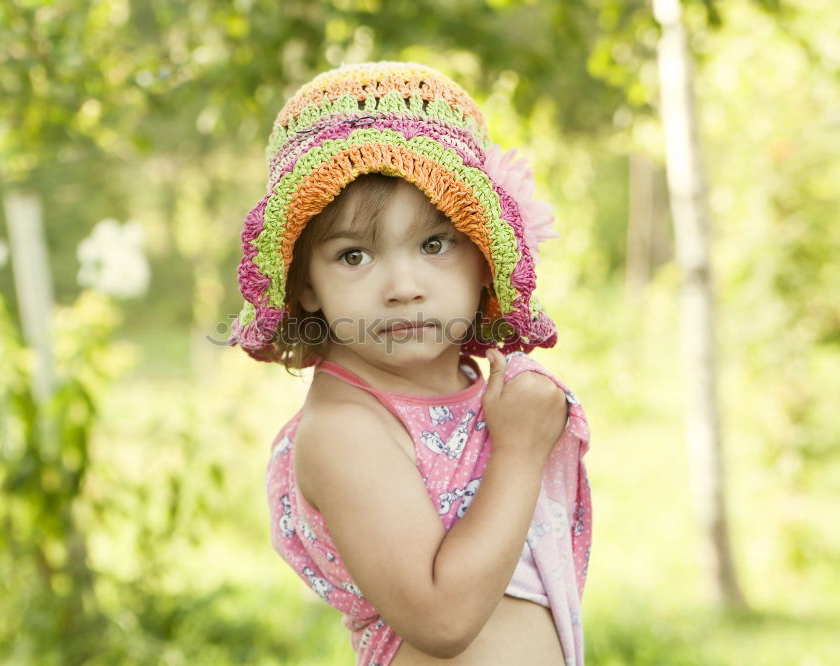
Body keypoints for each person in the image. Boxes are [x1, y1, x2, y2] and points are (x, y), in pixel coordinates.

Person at [229, 61, 592, 666]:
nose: (402, 286)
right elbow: (442, 618)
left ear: (483, 256)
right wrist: (521, 453)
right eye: (353, 255)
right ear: (306, 282)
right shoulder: (349, 429)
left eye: (433, 244)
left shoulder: (482, 392)